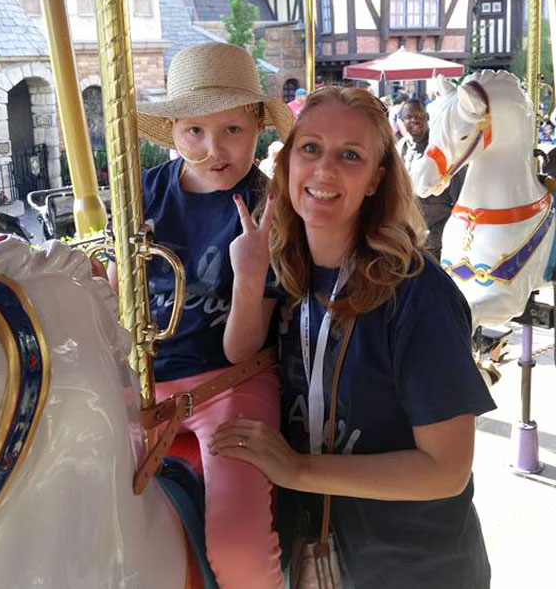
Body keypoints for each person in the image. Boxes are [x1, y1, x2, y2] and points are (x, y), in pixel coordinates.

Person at [210, 87, 495, 589]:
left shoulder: (416, 294)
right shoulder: (286, 277)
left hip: (415, 567)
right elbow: (241, 354)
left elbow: (445, 469)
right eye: (311, 148)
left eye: (350, 156)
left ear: (374, 181)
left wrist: (298, 469)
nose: (324, 171)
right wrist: (249, 277)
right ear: (288, 164)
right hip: (319, 556)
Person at [112, 42, 292, 589]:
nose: (215, 148)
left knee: (239, 549)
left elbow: (242, 350)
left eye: (232, 131)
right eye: (195, 132)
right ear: (175, 132)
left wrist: (252, 270)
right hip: (147, 383)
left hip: (228, 385)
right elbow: (122, 304)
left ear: (257, 125)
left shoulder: (270, 206)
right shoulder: (144, 196)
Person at [397, 98, 465, 260]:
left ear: (427, 117)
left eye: (418, 115)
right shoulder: (400, 148)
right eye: (409, 116)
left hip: (439, 239)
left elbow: (460, 198)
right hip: (409, 237)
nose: (414, 119)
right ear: (401, 121)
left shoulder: (442, 150)